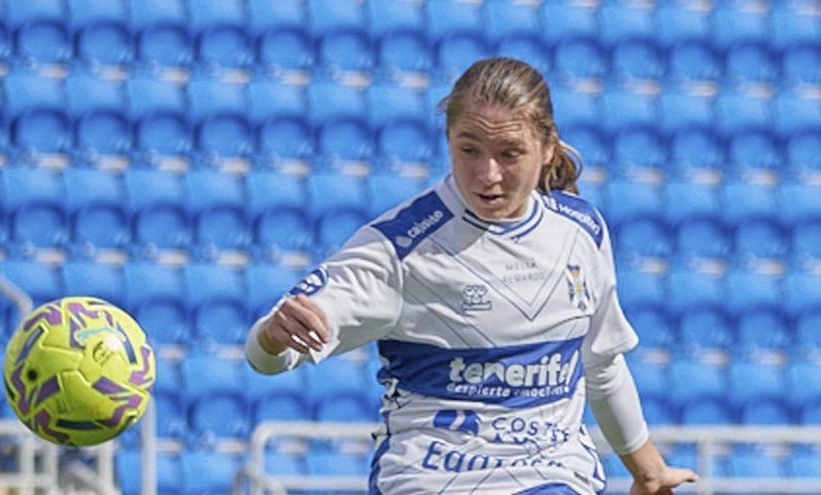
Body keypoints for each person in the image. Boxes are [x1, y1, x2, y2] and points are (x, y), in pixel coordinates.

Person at [246, 57, 698, 495]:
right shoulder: (402, 246)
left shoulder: (581, 231)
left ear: (547, 149)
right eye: (469, 150)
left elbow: (600, 364)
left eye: (509, 153)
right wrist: (273, 337)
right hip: (432, 477)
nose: (488, 174)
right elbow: (269, 356)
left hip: (551, 474)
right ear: (448, 141)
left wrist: (650, 471)